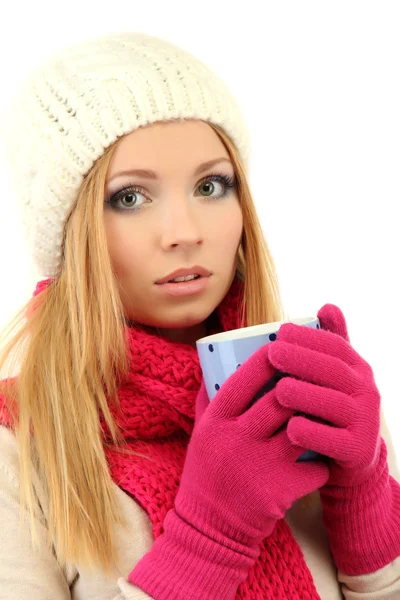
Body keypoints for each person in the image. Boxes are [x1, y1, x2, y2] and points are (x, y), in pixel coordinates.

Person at [0, 31, 399, 600]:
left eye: (212, 185)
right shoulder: (18, 447)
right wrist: (211, 536)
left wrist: (366, 496)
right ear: (68, 231)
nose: (185, 233)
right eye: (129, 197)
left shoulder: (308, 392)